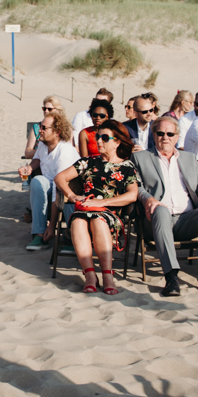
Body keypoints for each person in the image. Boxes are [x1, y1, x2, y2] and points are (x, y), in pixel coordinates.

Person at [133, 115, 198, 296]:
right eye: (160, 133)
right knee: (161, 210)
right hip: (155, 219)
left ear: (177, 137)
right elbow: (135, 185)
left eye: (170, 134)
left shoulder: (188, 158)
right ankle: (171, 277)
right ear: (154, 135)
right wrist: (148, 198)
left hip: (186, 219)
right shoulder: (140, 158)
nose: (165, 137)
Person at [53, 120, 139, 295]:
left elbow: (132, 195)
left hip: (109, 214)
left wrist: (102, 203)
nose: (99, 141)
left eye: (105, 138)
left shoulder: (127, 167)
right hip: (84, 211)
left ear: (117, 142)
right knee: (77, 221)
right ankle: (90, 276)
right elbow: (59, 177)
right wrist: (72, 195)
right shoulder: (88, 162)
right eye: (98, 137)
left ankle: (107, 275)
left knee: (98, 220)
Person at [20, 111, 79, 251]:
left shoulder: (64, 152)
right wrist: (29, 168)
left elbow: (58, 191)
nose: (39, 130)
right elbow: (37, 159)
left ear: (57, 132)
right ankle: (39, 234)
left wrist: (52, 226)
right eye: (40, 126)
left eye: (44, 128)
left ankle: (72, 236)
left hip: (69, 190)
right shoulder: (43, 143)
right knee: (37, 181)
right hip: (51, 185)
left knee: (62, 191)